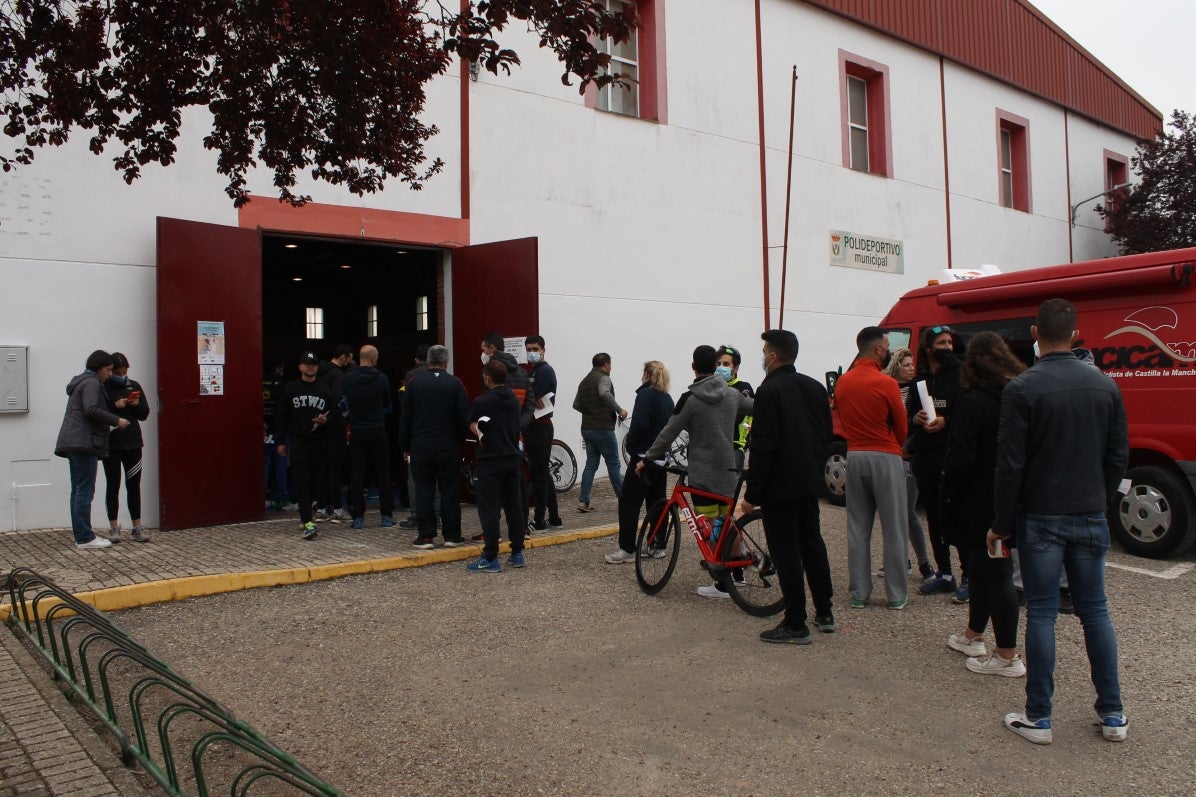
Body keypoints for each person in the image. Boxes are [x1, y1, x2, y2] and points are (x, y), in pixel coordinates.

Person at [994, 299, 1129, 745]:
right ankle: (1113, 713)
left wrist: (1002, 521)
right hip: (1088, 511)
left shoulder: (1021, 389)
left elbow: (1010, 464)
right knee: (1095, 611)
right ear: (1074, 334)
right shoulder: (1105, 385)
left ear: (1035, 333)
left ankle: (1039, 716)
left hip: (1041, 514)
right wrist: (1099, 499)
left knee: (1043, 612)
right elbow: (1117, 455)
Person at [736, 330, 835, 644]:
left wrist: (752, 494)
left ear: (772, 356)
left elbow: (764, 446)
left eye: (765, 351)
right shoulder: (815, 387)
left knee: (786, 553)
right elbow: (826, 435)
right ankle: (825, 611)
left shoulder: (769, 390)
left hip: (780, 487)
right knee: (812, 545)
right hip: (808, 482)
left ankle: (795, 621)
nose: (763, 356)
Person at [939, 332, 1026, 677]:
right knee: (979, 566)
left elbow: (961, 455)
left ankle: (1007, 655)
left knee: (997, 573)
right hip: (1007, 495)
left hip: (979, 500)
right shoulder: (1018, 395)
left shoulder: (974, 401)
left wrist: (947, 494)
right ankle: (973, 634)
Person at [638, 345, 753, 598]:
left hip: (702, 473)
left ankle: (723, 582)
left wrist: (648, 458)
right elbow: (756, 408)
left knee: (708, 525)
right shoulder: (732, 395)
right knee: (726, 521)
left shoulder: (691, 399)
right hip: (728, 469)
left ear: (693, 367)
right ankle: (738, 572)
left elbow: (668, 432)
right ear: (715, 367)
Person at [834, 327, 909, 610]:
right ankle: (896, 594)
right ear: (879, 350)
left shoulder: (843, 382)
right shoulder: (887, 383)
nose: (888, 352)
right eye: (887, 347)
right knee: (894, 526)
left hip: (855, 454)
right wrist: (894, 445)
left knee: (858, 526)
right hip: (885, 455)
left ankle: (859, 592)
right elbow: (901, 426)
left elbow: (842, 417)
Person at [906, 325, 966, 599]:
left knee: (957, 514)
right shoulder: (920, 380)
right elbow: (909, 415)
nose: (948, 348)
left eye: (950, 343)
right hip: (926, 457)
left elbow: (968, 415)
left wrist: (946, 421)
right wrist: (915, 418)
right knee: (933, 515)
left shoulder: (961, 375)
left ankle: (969, 575)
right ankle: (944, 573)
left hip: (951, 455)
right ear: (928, 348)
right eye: (942, 343)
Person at [54, 350, 129, 549]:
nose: (110, 374)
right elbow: (91, 409)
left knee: (78, 490)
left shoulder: (81, 381)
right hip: (84, 442)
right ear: (98, 368)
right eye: (108, 370)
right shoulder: (92, 383)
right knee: (85, 490)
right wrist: (116, 420)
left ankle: (81, 535)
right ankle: (86, 538)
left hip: (73, 441)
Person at [399, 345, 469, 548]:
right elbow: (463, 418)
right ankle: (452, 535)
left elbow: (406, 418)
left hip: (421, 445)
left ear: (428, 361)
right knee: (450, 490)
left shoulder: (414, 384)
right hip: (448, 446)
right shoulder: (456, 384)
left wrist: (405, 445)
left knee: (423, 490)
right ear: (446, 362)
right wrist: (459, 440)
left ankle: (426, 536)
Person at [605, 361, 673, 563]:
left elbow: (640, 424)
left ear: (646, 374)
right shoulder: (667, 397)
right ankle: (656, 545)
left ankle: (627, 548)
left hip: (643, 456)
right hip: (661, 457)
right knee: (657, 501)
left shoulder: (645, 395)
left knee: (629, 501)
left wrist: (631, 443)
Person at [466, 359, 527, 572]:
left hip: (489, 460)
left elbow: (473, 425)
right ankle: (517, 552)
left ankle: (491, 556)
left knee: (489, 509)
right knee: (514, 507)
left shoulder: (481, 402)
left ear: (487, 378)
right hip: (511, 458)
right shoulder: (513, 399)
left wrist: (476, 427)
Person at [881, 347, 934, 581]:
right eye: (906, 365)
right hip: (890, 453)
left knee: (908, 511)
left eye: (912, 365)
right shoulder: (889, 387)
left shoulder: (919, 390)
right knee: (891, 512)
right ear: (896, 367)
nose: (911, 368)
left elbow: (921, 422)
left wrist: (908, 444)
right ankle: (902, 560)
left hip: (909, 455)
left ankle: (924, 564)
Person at [275, 351, 331, 540]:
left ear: (317, 367)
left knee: (316, 481)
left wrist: (326, 420)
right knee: (302, 480)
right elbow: (282, 416)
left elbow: (335, 414)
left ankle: (310, 513)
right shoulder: (290, 389)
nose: (310, 367)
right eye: (307, 364)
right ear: (300, 366)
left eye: (313, 364)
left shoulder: (324, 389)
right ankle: (307, 521)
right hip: (298, 440)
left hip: (319, 441)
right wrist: (280, 441)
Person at [342, 345, 395, 529]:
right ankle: (386, 515)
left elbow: (343, 404)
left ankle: (358, 517)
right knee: (383, 473)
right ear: (373, 359)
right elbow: (388, 406)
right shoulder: (382, 379)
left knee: (357, 474)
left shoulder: (348, 379)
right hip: (377, 429)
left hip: (357, 430)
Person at [100, 352, 151, 543]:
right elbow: (98, 413)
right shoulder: (103, 387)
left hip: (133, 443)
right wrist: (115, 407)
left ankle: (137, 527)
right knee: (113, 484)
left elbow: (144, 414)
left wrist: (136, 404)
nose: (122, 376)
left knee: (134, 485)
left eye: (125, 372)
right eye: (118, 373)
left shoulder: (134, 385)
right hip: (112, 444)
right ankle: (113, 527)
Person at [573, 352, 628, 512]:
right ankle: (624, 499)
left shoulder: (584, 381)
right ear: (605, 364)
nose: (611, 368)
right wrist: (619, 410)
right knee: (613, 464)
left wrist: (590, 412)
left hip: (587, 428)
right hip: (603, 429)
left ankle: (583, 501)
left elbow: (576, 405)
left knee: (591, 464)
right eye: (610, 365)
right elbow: (604, 393)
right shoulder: (604, 378)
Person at [524, 335, 563, 530]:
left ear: (543, 350)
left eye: (535, 349)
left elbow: (530, 398)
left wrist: (528, 397)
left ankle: (539, 519)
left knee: (539, 476)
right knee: (542, 473)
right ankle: (554, 517)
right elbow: (530, 397)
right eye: (529, 349)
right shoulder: (532, 371)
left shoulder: (545, 371)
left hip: (541, 427)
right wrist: (529, 397)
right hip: (533, 427)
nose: (532, 352)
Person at [317, 344, 354, 522]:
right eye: (349, 358)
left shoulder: (319, 372)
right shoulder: (338, 374)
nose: (349, 362)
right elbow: (338, 401)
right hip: (335, 426)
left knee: (322, 469)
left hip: (318, 426)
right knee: (335, 470)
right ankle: (338, 510)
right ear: (343, 357)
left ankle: (322, 508)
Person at [399, 344, 432, 530]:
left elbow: (406, 411)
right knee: (437, 478)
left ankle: (416, 516)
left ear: (416, 359)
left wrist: (404, 444)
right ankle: (437, 514)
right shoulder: (447, 378)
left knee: (414, 477)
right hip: (439, 436)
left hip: (417, 437)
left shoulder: (411, 376)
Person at [262, 360, 296, 511]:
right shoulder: (283, 385)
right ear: (277, 369)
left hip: (263, 429)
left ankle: (262, 498)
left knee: (264, 464)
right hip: (279, 431)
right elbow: (286, 410)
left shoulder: (257, 382)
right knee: (281, 464)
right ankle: (283, 499)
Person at [715, 345, 755, 467]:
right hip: (712, 447)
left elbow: (741, 417)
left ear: (736, 368)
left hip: (735, 446)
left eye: (726, 364)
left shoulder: (744, 388)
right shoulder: (712, 388)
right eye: (718, 364)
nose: (721, 367)